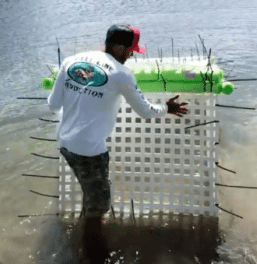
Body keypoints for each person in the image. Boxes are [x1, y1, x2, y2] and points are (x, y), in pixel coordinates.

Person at [47, 24, 189, 263]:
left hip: (66, 143)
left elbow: (53, 104)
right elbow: (145, 112)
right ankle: (93, 252)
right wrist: (167, 107)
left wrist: (76, 117)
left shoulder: (70, 61)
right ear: (118, 46)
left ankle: (84, 239)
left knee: (89, 189)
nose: (132, 54)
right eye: (131, 49)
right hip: (90, 151)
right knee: (100, 203)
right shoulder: (121, 73)